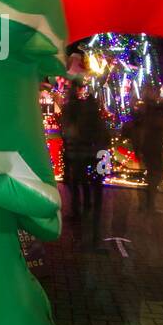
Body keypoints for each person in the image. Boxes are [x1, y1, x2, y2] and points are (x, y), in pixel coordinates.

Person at [60, 80, 107, 243]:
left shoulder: (74, 110)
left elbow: (69, 132)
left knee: (78, 181)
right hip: (94, 153)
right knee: (91, 183)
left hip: (81, 153)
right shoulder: (94, 115)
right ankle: (90, 213)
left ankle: (81, 210)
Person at [125, 89, 163, 210]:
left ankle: (148, 203)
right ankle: (149, 204)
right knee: (156, 175)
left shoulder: (145, 109)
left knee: (153, 175)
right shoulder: (152, 110)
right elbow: (157, 124)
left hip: (149, 146)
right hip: (152, 146)